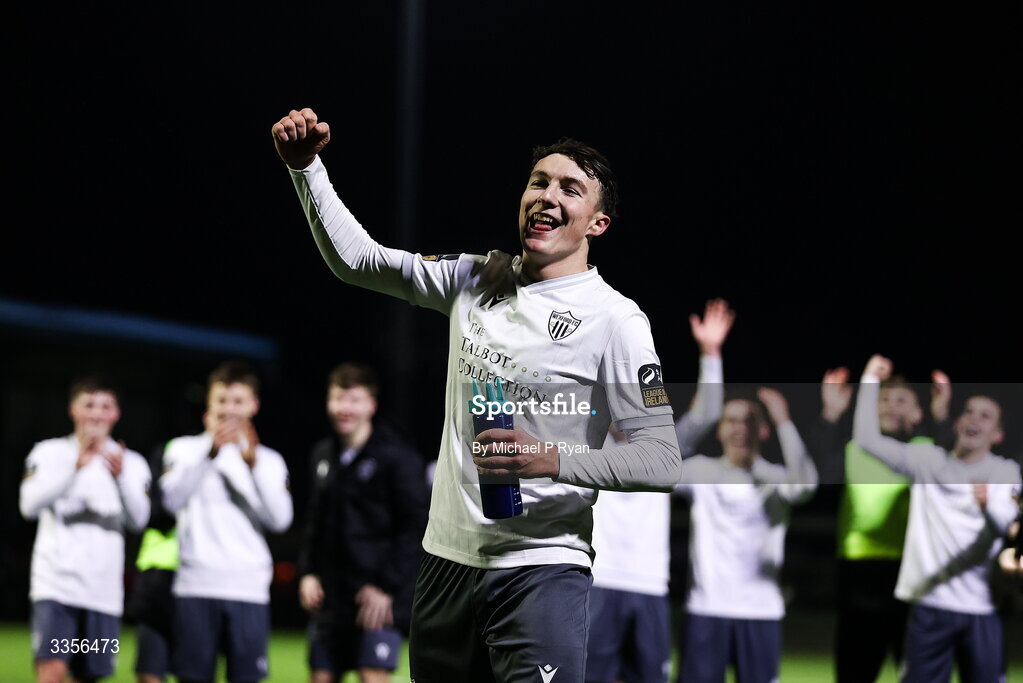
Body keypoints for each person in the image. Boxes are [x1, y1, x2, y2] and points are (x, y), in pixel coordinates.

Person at [273, 108, 683, 682]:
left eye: (571, 189)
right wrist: (307, 169)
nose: (548, 195)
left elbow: (662, 458)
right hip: (444, 564)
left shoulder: (617, 321)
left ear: (598, 223)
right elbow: (359, 261)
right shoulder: (475, 280)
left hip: (540, 568)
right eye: (539, 181)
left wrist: (551, 459)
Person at [586, 299, 733, 683]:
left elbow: (707, 415)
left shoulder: (664, 447)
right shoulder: (590, 441)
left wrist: (711, 353)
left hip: (649, 584)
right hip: (597, 580)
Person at [853, 354, 1022, 682]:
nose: (974, 419)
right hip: (930, 608)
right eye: (969, 411)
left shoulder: (1005, 472)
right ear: (958, 421)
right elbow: (867, 440)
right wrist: (869, 379)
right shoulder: (926, 461)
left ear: (997, 434)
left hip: (982, 609)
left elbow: (1007, 528)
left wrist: (990, 506)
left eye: (985, 416)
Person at [811, 366, 951, 682]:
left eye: (901, 400)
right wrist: (830, 417)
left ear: (918, 413)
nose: (889, 406)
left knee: (918, 670)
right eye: (883, 399)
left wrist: (942, 417)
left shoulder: (925, 451)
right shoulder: (854, 448)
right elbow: (818, 479)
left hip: (913, 572)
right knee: (854, 670)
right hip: (859, 573)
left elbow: (953, 474)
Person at [160, 361, 293, 683]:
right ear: (209, 402)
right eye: (222, 400)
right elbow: (169, 502)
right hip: (195, 585)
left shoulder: (269, 460)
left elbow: (280, 520)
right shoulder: (184, 449)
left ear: (254, 406)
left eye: (238, 401)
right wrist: (210, 452)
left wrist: (253, 464)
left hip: (248, 588)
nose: (229, 410)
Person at [675, 388, 818, 683]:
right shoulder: (701, 470)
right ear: (719, 429)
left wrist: (785, 422)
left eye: (749, 421)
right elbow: (654, 466)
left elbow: (806, 485)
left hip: (761, 611)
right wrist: (697, 417)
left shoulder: (778, 479)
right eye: (731, 420)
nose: (740, 428)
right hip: (706, 608)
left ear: (763, 430)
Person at [298, 362, 429, 683]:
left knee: (372, 675)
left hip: (377, 599)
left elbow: (416, 526)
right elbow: (313, 523)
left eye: (354, 400)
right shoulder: (323, 455)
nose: (345, 408)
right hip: (331, 598)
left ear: (371, 404)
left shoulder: (396, 457)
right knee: (321, 676)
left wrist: (386, 587)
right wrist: (307, 573)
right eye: (338, 399)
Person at [19, 376, 151, 683]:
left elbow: (138, 520)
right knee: (51, 672)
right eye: (88, 405)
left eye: (105, 406)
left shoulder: (132, 462)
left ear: (116, 413)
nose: (96, 413)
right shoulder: (48, 453)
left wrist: (119, 478)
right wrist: (75, 467)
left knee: (89, 676)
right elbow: (29, 507)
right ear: (73, 410)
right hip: (56, 587)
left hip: (103, 593)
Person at [128, 441, 180, 683]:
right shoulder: (169, 451)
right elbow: (155, 512)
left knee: (195, 668)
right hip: (158, 571)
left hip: (206, 577)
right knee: (151, 663)